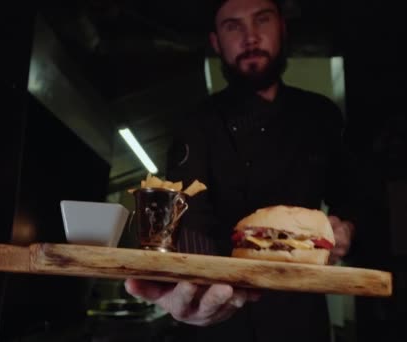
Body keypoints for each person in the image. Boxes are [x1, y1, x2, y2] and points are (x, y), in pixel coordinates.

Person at [125, 0, 357, 340]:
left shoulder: (320, 115)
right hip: (215, 318)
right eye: (233, 26)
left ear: (282, 28)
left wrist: (346, 228)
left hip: (300, 317)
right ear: (216, 42)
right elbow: (188, 220)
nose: (250, 37)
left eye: (261, 20)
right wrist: (187, 294)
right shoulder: (196, 123)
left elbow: (350, 195)